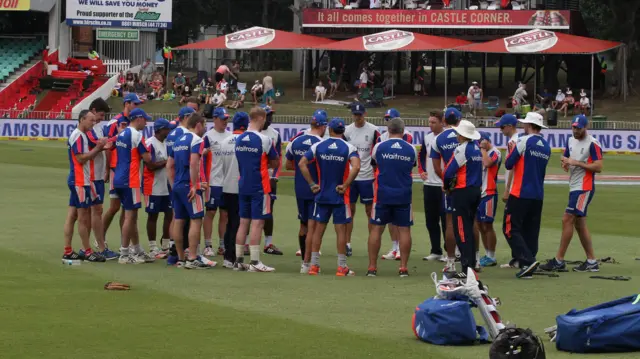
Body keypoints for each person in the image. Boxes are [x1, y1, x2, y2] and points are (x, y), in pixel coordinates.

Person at [540, 115, 603, 272]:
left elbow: (598, 166)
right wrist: (565, 163)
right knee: (580, 224)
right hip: (575, 186)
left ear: (585, 127)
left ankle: (559, 260)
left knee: (567, 219)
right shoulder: (570, 140)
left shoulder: (593, 143)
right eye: (574, 127)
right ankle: (591, 261)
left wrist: (576, 163)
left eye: (578, 128)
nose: (575, 130)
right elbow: (567, 157)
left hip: (584, 187)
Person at [299, 118, 361, 276]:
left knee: (318, 231)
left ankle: (314, 266)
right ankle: (341, 267)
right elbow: (357, 166)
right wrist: (346, 185)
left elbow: (301, 163)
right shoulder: (349, 147)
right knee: (341, 231)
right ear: (343, 131)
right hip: (340, 196)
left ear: (330, 130)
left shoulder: (318, 145)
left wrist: (312, 184)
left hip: (322, 195)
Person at [503, 112, 551, 279]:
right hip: (538, 194)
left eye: (524, 124)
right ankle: (529, 263)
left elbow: (509, 163)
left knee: (510, 228)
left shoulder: (523, 140)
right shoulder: (546, 145)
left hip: (520, 192)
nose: (522, 126)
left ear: (529, 125)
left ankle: (527, 260)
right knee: (531, 230)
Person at [367, 118, 417, 277]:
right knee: (404, 230)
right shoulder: (411, 149)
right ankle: (403, 268)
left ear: (388, 130)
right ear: (403, 131)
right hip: (403, 194)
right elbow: (412, 165)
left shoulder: (379, 147)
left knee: (376, 228)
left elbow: (374, 164)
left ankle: (372, 267)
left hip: (383, 194)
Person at [233, 107, 280, 272]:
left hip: (243, 183)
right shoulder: (264, 139)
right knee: (258, 222)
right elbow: (275, 162)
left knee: (243, 222)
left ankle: (238, 261)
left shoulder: (239, 139)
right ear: (260, 118)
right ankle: (254, 261)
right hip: (260, 185)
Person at [63, 110, 108, 263]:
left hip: (79, 180)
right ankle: (87, 251)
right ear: (82, 119)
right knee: (83, 217)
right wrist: (98, 148)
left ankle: (68, 250)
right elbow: (81, 158)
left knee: (73, 215)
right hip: (80, 181)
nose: (93, 123)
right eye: (91, 120)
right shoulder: (78, 135)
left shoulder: (79, 135)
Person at [167, 113, 212, 269]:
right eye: (204, 125)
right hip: (189, 184)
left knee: (179, 220)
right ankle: (192, 258)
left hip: (178, 185)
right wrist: (194, 185)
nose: (205, 128)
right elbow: (194, 163)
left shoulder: (178, 140)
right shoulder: (197, 140)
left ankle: (180, 258)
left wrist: (174, 185)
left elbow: (169, 165)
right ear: (198, 124)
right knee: (196, 219)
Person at [285, 111, 327, 273]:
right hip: (314, 188)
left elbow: (288, 165)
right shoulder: (320, 143)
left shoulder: (295, 141)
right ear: (323, 126)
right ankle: (307, 264)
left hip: (299, 189)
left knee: (303, 225)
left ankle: (304, 259)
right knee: (312, 227)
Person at [113, 108, 156, 264]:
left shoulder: (121, 134)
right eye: (145, 119)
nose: (146, 122)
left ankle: (137, 250)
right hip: (130, 180)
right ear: (138, 119)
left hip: (118, 177)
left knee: (131, 216)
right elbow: (148, 158)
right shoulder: (137, 135)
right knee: (130, 217)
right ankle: (125, 253)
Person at [443, 120, 483, 276]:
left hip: (462, 192)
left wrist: (446, 187)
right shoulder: (477, 149)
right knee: (468, 227)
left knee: (461, 229)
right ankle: (471, 264)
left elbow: (448, 171)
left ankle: (466, 267)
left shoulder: (462, 149)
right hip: (475, 191)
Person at [102, 94, 141, 250]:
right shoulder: (114, 122)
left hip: (129, 170)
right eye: (135, 104)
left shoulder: (134, 123)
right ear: (127, 104)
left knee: (127, 209)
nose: (137, 106)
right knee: (114, 207)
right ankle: (100, 238)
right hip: (116, 169)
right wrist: (106, 169)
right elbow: (107, 146)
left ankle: (126, 244)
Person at [344, 102, 380, 257]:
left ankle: (371, 243)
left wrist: (375, 171)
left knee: (369, 211)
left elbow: (377, 152)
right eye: (355, 115)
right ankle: (347, 244)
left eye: (360, 114)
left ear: (365, 114)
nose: (357, 117)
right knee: (349, 211)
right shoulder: (347, 131)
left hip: (367, 177)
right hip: (351, 177)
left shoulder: (373, 130)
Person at [429, 107, 463, 272]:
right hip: (468, 184)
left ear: (444, 121)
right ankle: (474, 259)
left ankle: (450, 261)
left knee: (450, 222)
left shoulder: (438, 139)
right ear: (459, 120)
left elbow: (436, 167)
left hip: (450, 185)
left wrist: (447, 181)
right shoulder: (466, 134)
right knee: (470, 221)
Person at [86, 98, 119, 260]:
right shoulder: (89, 129)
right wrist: (119, 136)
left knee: (91, 211)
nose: (101, 118)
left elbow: (104, 144)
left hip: (97, 176)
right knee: (94, 211)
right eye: (100, 115)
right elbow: (102, 146)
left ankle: (93, 247)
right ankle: (99, 247)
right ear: (92, 110)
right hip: (92, 176)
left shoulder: (96, 128)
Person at [378, 108, 412, 261]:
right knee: (391, 220)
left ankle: (400, 250)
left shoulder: (408, 136)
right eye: (386, 119)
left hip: (400, 182)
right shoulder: (381, 138)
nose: (387, 122)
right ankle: (394, 247)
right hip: (386, 182)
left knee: (401, 222)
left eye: (390, 119)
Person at [164, 106, 196, 265]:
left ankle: (174, 251)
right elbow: (190, 162)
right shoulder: (187, 135)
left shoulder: (172, 134)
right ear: (187, 117)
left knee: (177, 217)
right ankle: (188, 253)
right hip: (185, 180)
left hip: (174, 181)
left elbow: (169, 162)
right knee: (190, 219)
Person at [220, 112, 249, 269]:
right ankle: (235, 257)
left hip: (226, 186)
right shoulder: (246, 141)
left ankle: (227, 256)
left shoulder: (225, 141)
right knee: (240, 224)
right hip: (241, 186)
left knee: (230, 222)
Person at [202, 107, 231, 257]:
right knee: (211, 212)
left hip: (227, 181)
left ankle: (222, 245)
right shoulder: (208, 136)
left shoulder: (230, 136)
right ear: (215, 119)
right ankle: (207, 245)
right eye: (222, 119)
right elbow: (200, 158)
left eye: (226, 119)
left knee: (225, 214)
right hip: (213, 181)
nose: (225, 122)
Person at [143, 118, 172, 258]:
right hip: (152, 186)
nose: (169, 131)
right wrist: (169, 161)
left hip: (166, 185)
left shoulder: (166, 143)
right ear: (160, 130)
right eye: (167, 129)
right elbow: (151, 165)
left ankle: (165, 245)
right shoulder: (150, 143)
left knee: (169, 214)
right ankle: (153, 247)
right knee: (153, 215)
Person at [494, 113, 520, 268]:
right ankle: (517, 257)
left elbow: (514, 167)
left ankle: (519, 257)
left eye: (502, 127)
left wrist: (508, 190)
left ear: (510, 126)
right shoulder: (518, 140)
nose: (500, 130)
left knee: (509, 226)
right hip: (517, 188)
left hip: (514, 189)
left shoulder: (513, 142)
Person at [419, 111, 446, 261]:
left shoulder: (448, 138)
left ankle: (450, 250)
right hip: (429, 183)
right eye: (429, 122)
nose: (430, 125)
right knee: (431, 219)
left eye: (434, 122)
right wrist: (422, 171)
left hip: (443, 184)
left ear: (442, 122)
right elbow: (421, 155)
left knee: (445, 220)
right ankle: (436, 250)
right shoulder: (427, 137)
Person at [260, 105, 284, 255]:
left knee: (269, 211)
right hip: (255, 178)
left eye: (271, 115)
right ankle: (247, 242)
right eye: (268, 115)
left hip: (269, 178)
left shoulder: (275, 134)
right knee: (248, 210)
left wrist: (274, 175)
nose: (270, 118)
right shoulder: (253, 132)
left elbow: (279, 157)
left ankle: (268, 243)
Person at [476, 132, 502, 268]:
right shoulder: (480, 152)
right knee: (480, 225)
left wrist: (484, 149)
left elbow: (487, 163)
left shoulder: (495, 152)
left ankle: (492, 255)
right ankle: (486, 254)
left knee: (487, 225)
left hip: (489, 192)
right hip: (479, 193)